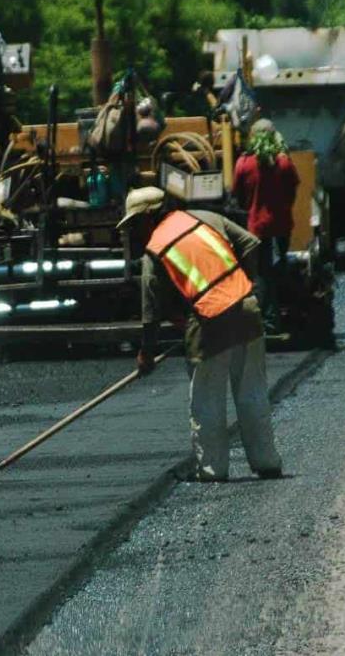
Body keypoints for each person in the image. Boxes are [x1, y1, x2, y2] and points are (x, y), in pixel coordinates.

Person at [119, 187, 283, 482]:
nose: (133, 231)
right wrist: (245, 286)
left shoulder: (155, 249)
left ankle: (212, 469)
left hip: (209, 321)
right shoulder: (206, 218)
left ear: (149, 216)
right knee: (252, 391)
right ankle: (267, 461)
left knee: (207, 398)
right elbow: (251, 243)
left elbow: (150, 311)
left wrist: (147, 352)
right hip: (247, 308)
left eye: (134, 224)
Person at [232, 118, 300, 334]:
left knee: (261, 272)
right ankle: (282, 313)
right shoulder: (285, 163)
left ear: (252, 136)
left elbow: (238, 196)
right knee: (279, 269)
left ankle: (266, 319)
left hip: (256, 227)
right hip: (281, 225)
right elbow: (292, 192)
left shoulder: (244, 163)